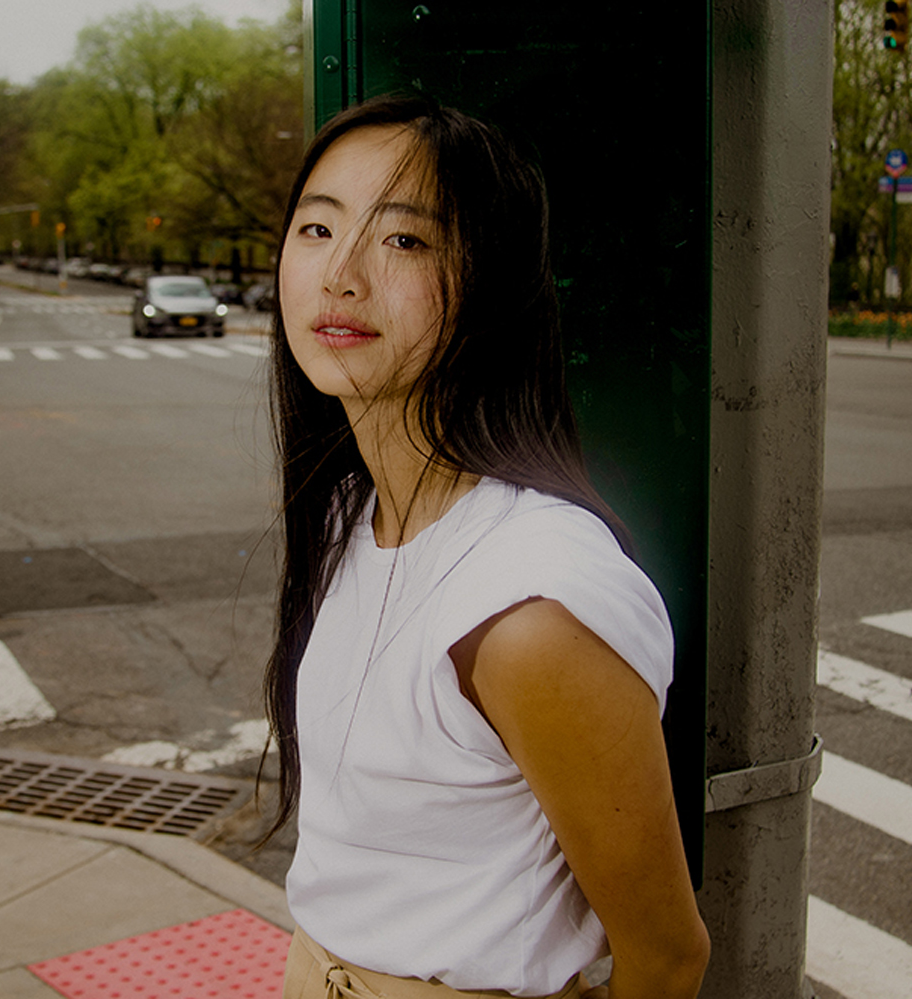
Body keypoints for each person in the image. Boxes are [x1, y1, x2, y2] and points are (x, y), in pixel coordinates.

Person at [264, 94, 710, 999]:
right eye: (317, 227)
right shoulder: (356, 513)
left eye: (404, 241)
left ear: (487, 285)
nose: (341, 274)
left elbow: (666, 957)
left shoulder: (530, 607)